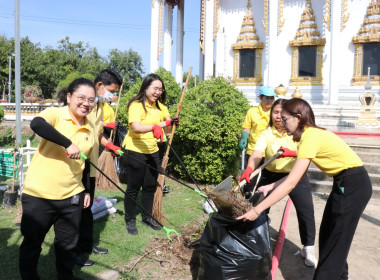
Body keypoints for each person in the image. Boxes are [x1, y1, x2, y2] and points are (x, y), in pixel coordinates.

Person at [237, 98, 372, 280]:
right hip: (343, 183)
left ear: (298, 117)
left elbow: (292, 182)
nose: (282, 124)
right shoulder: (307, 136)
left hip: (353, 185)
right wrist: (270, 185)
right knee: (328, 235)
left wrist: (257, 209)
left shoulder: (310, 137)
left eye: (285, 119)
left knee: (336, 239)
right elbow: (293, 176)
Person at [19, 78, 97, 280]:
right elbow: (37, 124)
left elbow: (86, 163)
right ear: (69, 97)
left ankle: (65, 275)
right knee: (32, 243)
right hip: (39, 194)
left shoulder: (90, 128)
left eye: (91, 100)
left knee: (67, 244)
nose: (86, 103)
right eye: (81, 98)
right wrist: (67, 143)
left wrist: (86, 190)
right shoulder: (56, 113)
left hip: (71, 196)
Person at [240, 98, 317, 267]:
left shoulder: (298, 132)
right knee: (259, 209)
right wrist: (249, 168)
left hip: (295, 175)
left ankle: (308, 247)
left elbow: (308, 153)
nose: (278, 116)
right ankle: (257, 242)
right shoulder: (266, 133)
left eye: (281, 113)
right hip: (270, 175)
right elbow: (257, 154)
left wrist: (293, 153)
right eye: (275, 112)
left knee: (306, 212)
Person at [76, 69, 123, 266]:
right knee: (76, 209)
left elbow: (97, 134)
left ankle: (87, 245)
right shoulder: (83, 106)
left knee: (87, 208)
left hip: (92, 163)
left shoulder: (101, 107)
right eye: (111, 91)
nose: (112, 96)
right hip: (77, 163)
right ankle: (74, 251)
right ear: (99, 86)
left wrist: (109, 145)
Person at [121, 73, 179, 235]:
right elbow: (136, 127)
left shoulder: (161, 107)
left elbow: (168, 125)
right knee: (133, 187)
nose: (157, 92)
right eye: (155, 88)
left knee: (149, 186)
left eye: (160, 89)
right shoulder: (136, 105)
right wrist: (157, 125)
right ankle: (130, 219)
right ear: (146, 87)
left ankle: (147, 217)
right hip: (135, 151)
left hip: (153, 151)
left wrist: (172, 123)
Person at [239, 86, 276, 189]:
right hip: (253, 150)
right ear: (260, 98)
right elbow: (247, 127)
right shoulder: (252, 111)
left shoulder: (275, 113)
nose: (269, 101)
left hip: (270, 152)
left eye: (271, 98)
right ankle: (247, 198)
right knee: (249, 179)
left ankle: (260, 201)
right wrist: (244, 137)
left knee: (265, 181)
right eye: (266, 98)